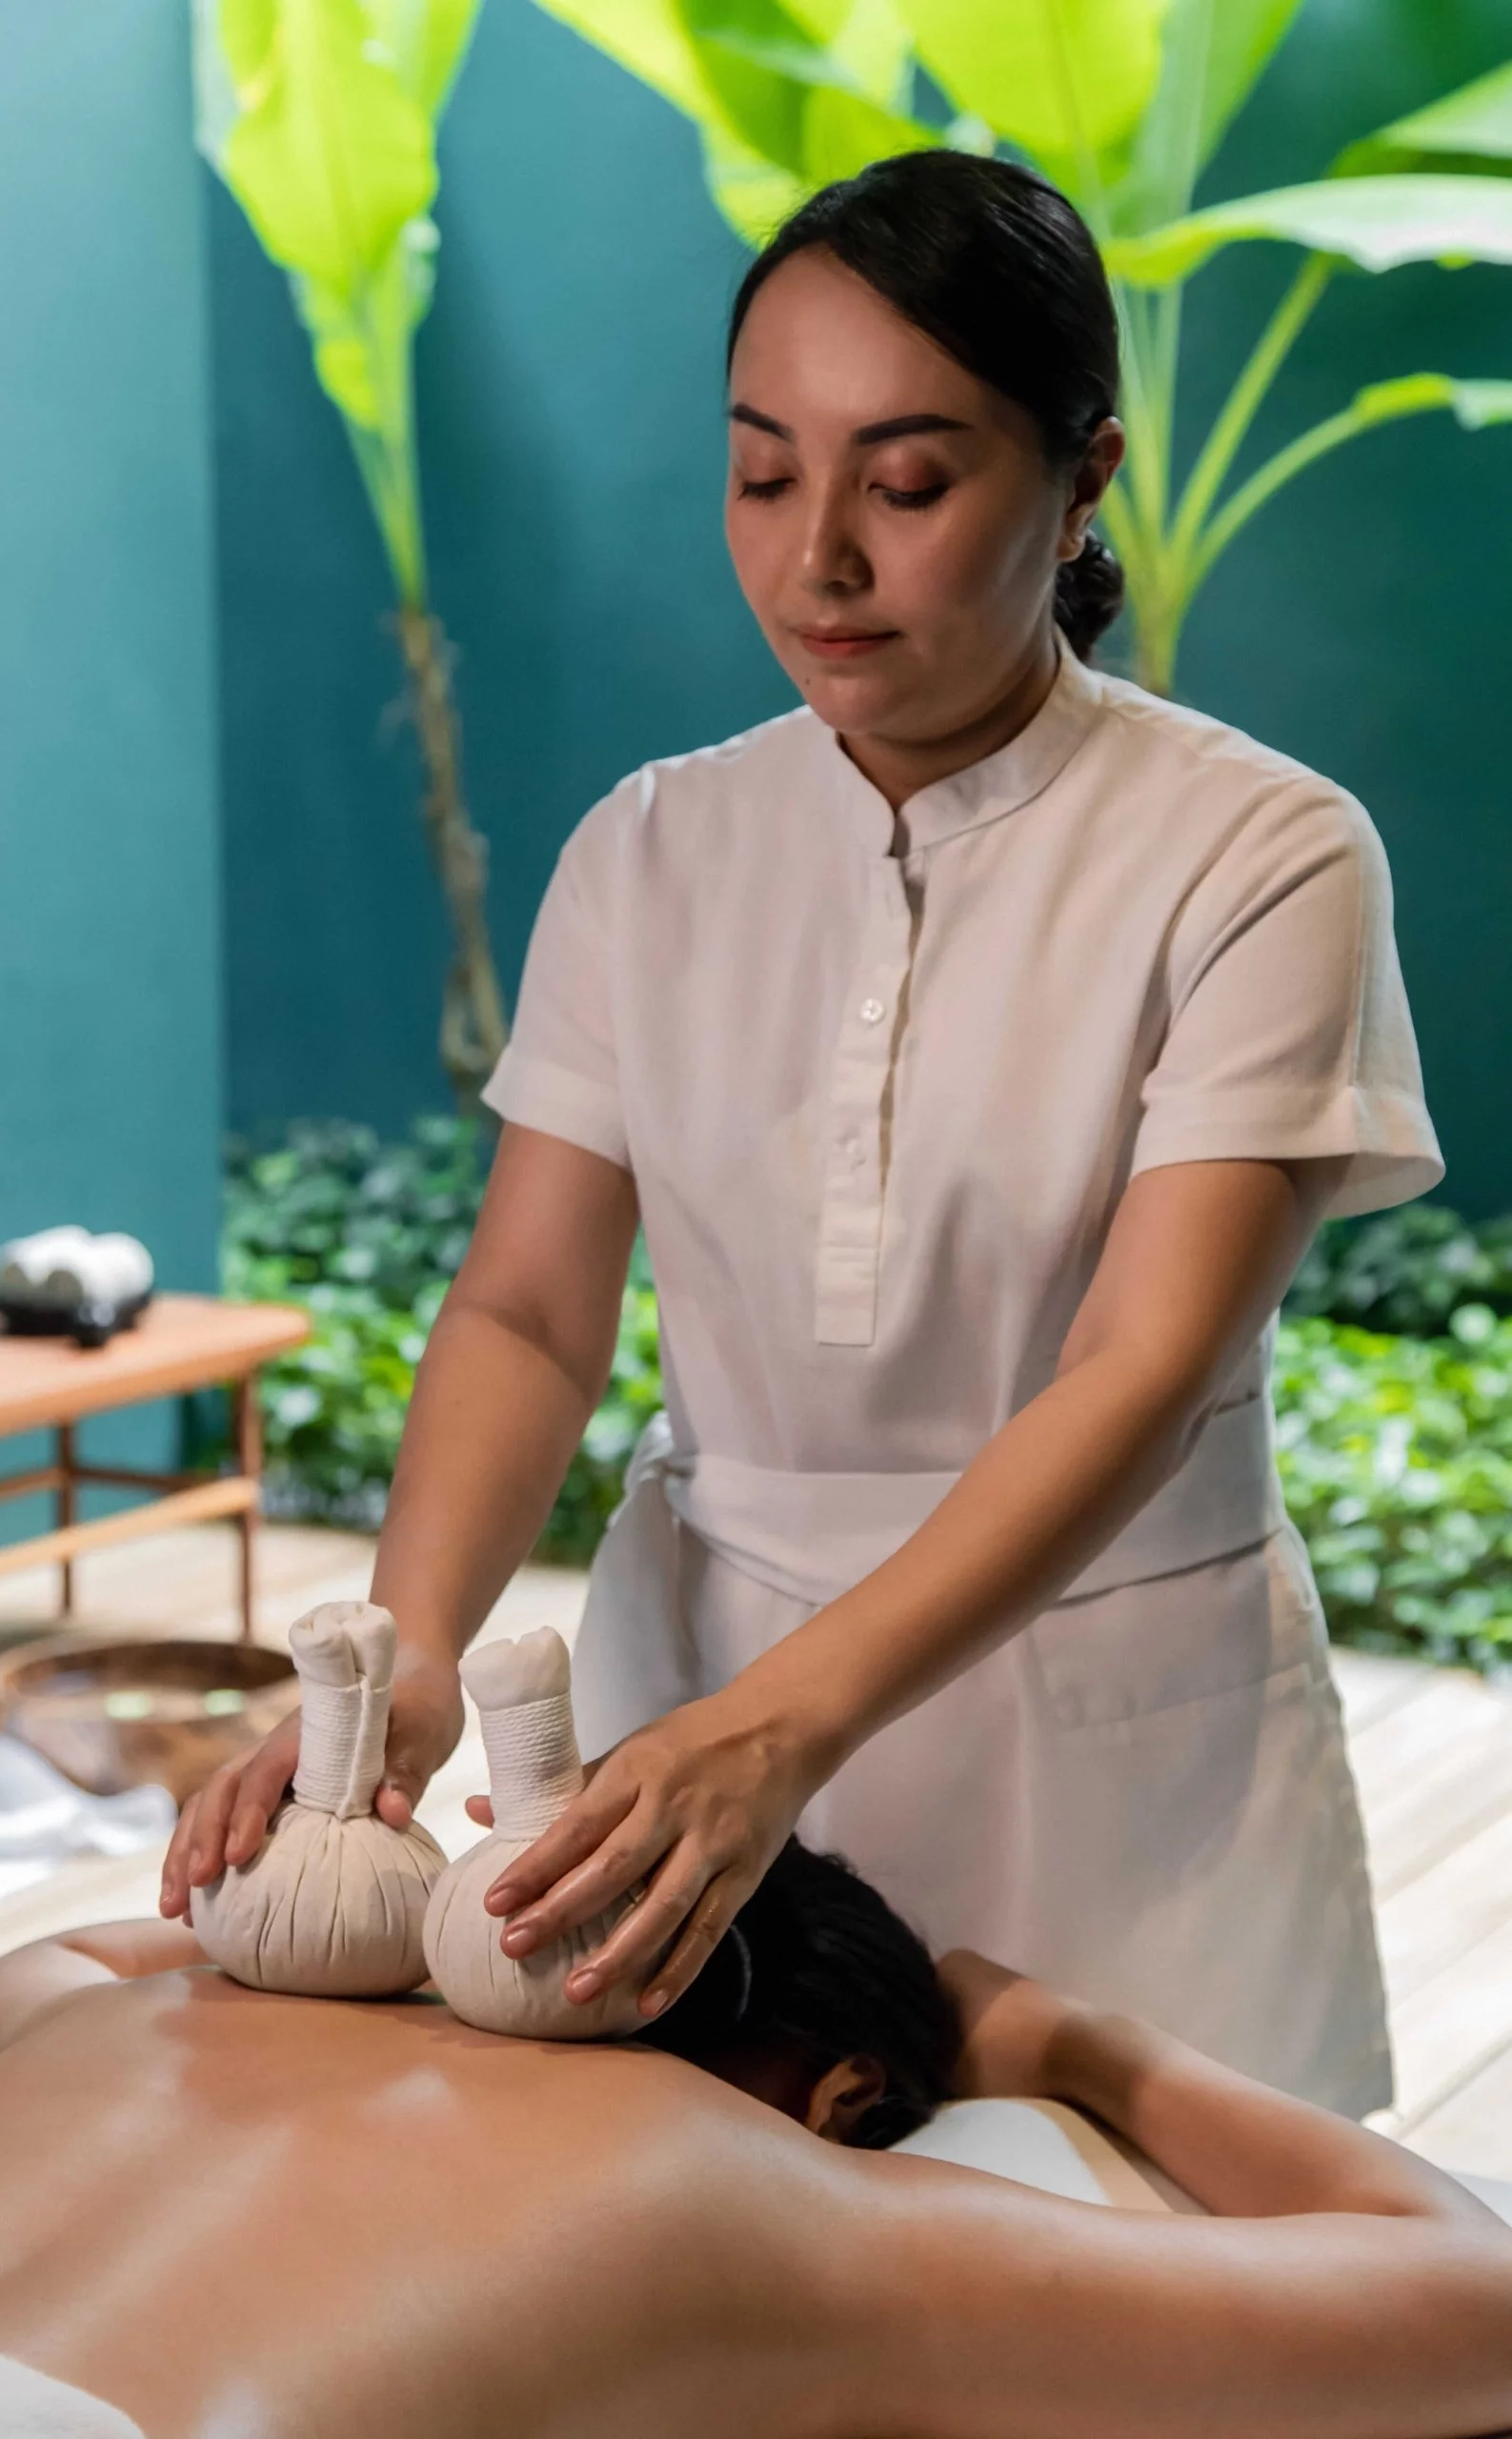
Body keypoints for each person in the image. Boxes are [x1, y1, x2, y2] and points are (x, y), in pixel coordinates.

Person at [164, 149, 1442, 2115]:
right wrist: (409, 1647)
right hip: (693, 1717)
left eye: (906, 484)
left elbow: (1141, 1365)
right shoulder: (649, 850)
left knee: (1139, 2252)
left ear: (1080, 479)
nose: (817, 557)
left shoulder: (1257, 854)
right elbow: (527, 1313)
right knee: (716, 2240)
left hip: (1104, 1727)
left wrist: (782, 1730)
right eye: (763, 475)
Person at [0, 1855, 1512, 2439]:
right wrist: (1066, 2036)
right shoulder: (754, 2195)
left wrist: (401, 1924)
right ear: (846, 2094)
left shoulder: (122, 2019)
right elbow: (1471, 2301)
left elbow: (59, 1957)